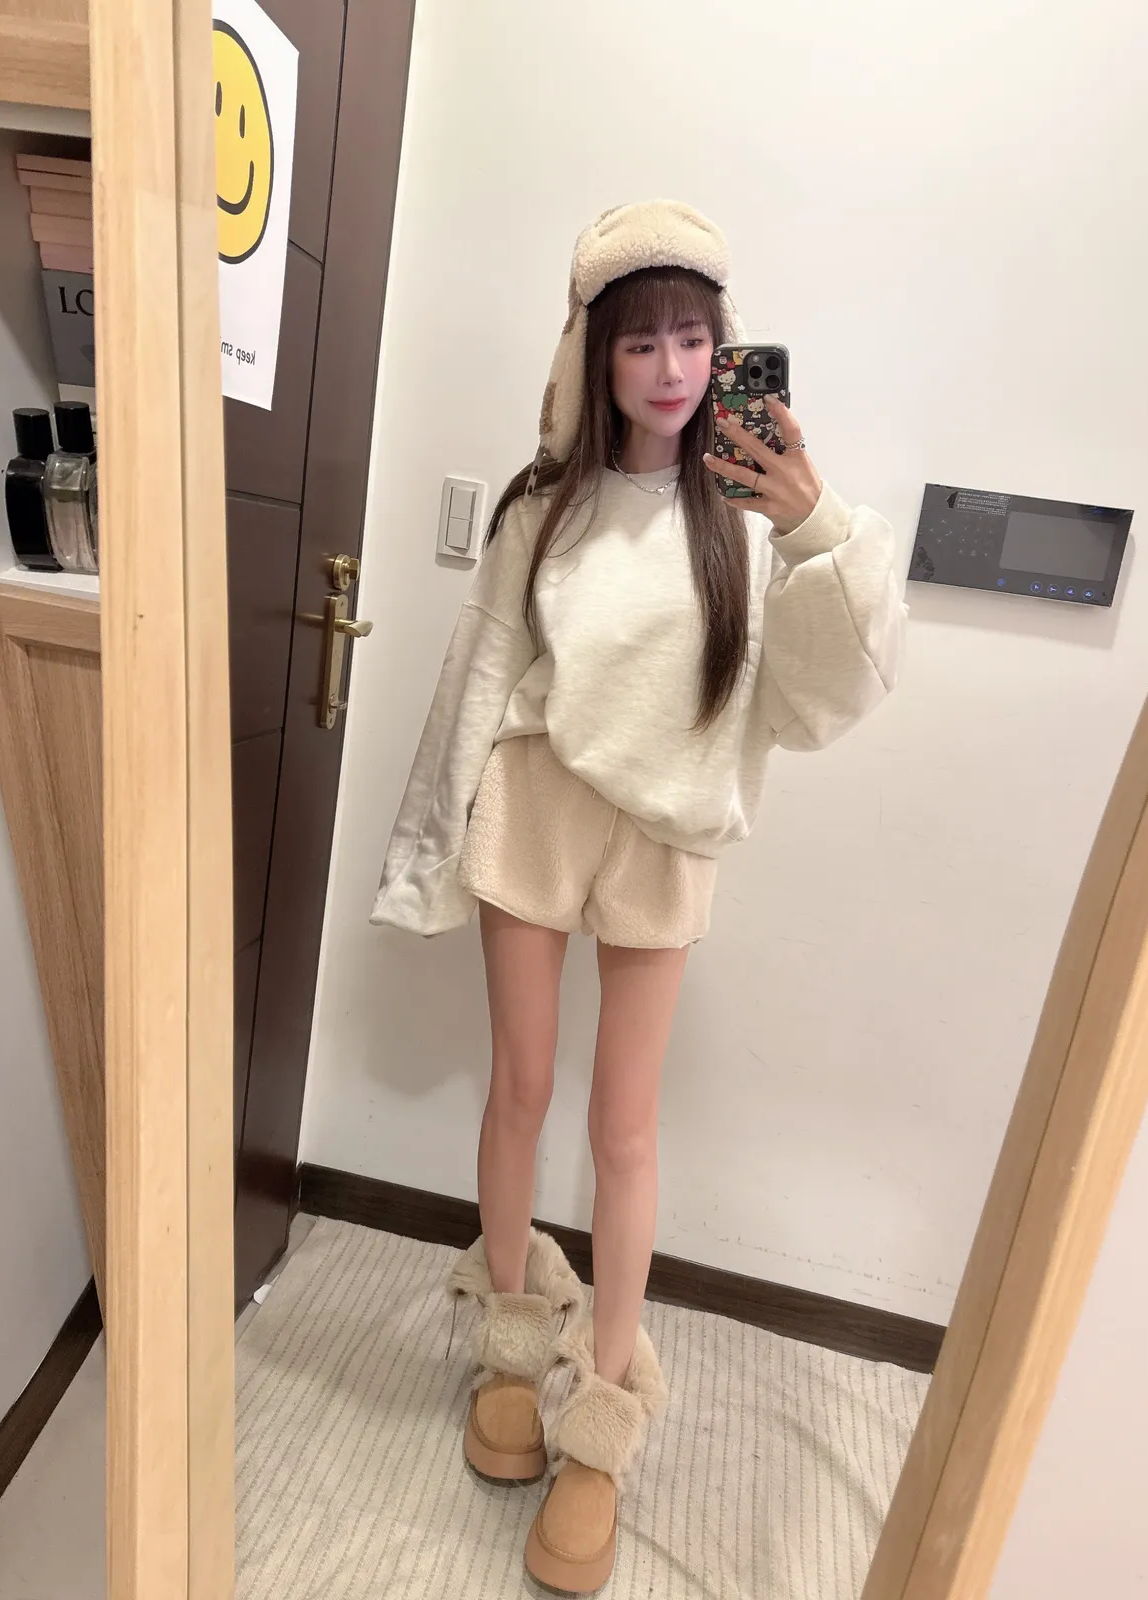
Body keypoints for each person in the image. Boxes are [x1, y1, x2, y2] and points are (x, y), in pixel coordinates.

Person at [371, 199, 907, 1594]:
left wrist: (815, 528)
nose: (672, 370)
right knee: (518, 1087)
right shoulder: (541, 505)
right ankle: (508, 1347)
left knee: (624, 1130)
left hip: (666, 836)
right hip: (537, 800)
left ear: (726, 352)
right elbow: (479, 673)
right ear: (596, 355)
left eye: (694, 340)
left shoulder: (744, 520)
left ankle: (601, 1423)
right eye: (642, 342)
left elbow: (824, 699)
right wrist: (426, 852)